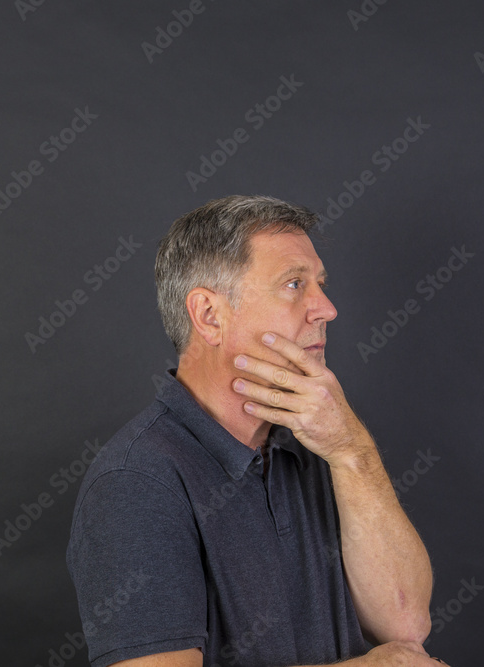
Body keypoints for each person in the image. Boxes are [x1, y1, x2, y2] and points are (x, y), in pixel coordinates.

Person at [67, 195, 441, 666]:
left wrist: (352, 452)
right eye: (294, 284)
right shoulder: (136, 481)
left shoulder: (321, 444)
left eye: (320, 285)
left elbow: (405, 623)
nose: (326, 308)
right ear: (209, 316)